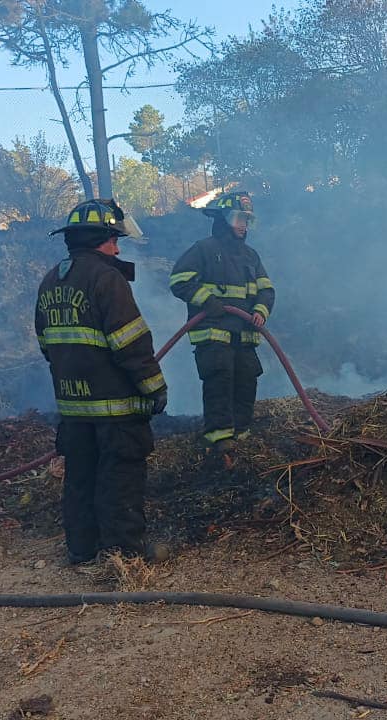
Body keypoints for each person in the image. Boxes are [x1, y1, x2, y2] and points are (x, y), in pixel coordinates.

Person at [36, 199, 169, 564]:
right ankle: (125, 552)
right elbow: (131, 342)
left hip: (73, 407)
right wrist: (154, 386)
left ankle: (82, 548)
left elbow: (46, 343)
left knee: (80, 477)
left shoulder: (52, 279)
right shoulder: (106, 278)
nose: (117, 247)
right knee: (120, 476)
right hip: (115, 405)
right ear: (101, 240)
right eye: (114, 240)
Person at [168, 191, 274, 464]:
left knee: (247, 379)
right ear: (224, 218)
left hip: (245, 334)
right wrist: (208, 301)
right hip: (214, 333)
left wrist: (261, 311)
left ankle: (241, 434)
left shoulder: (251, 256)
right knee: (220, 381)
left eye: (247, 220)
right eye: (240, 218)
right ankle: (219, 439)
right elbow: (180, 280)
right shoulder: (204, 250)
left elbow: (267, 290)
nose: (244, 225)